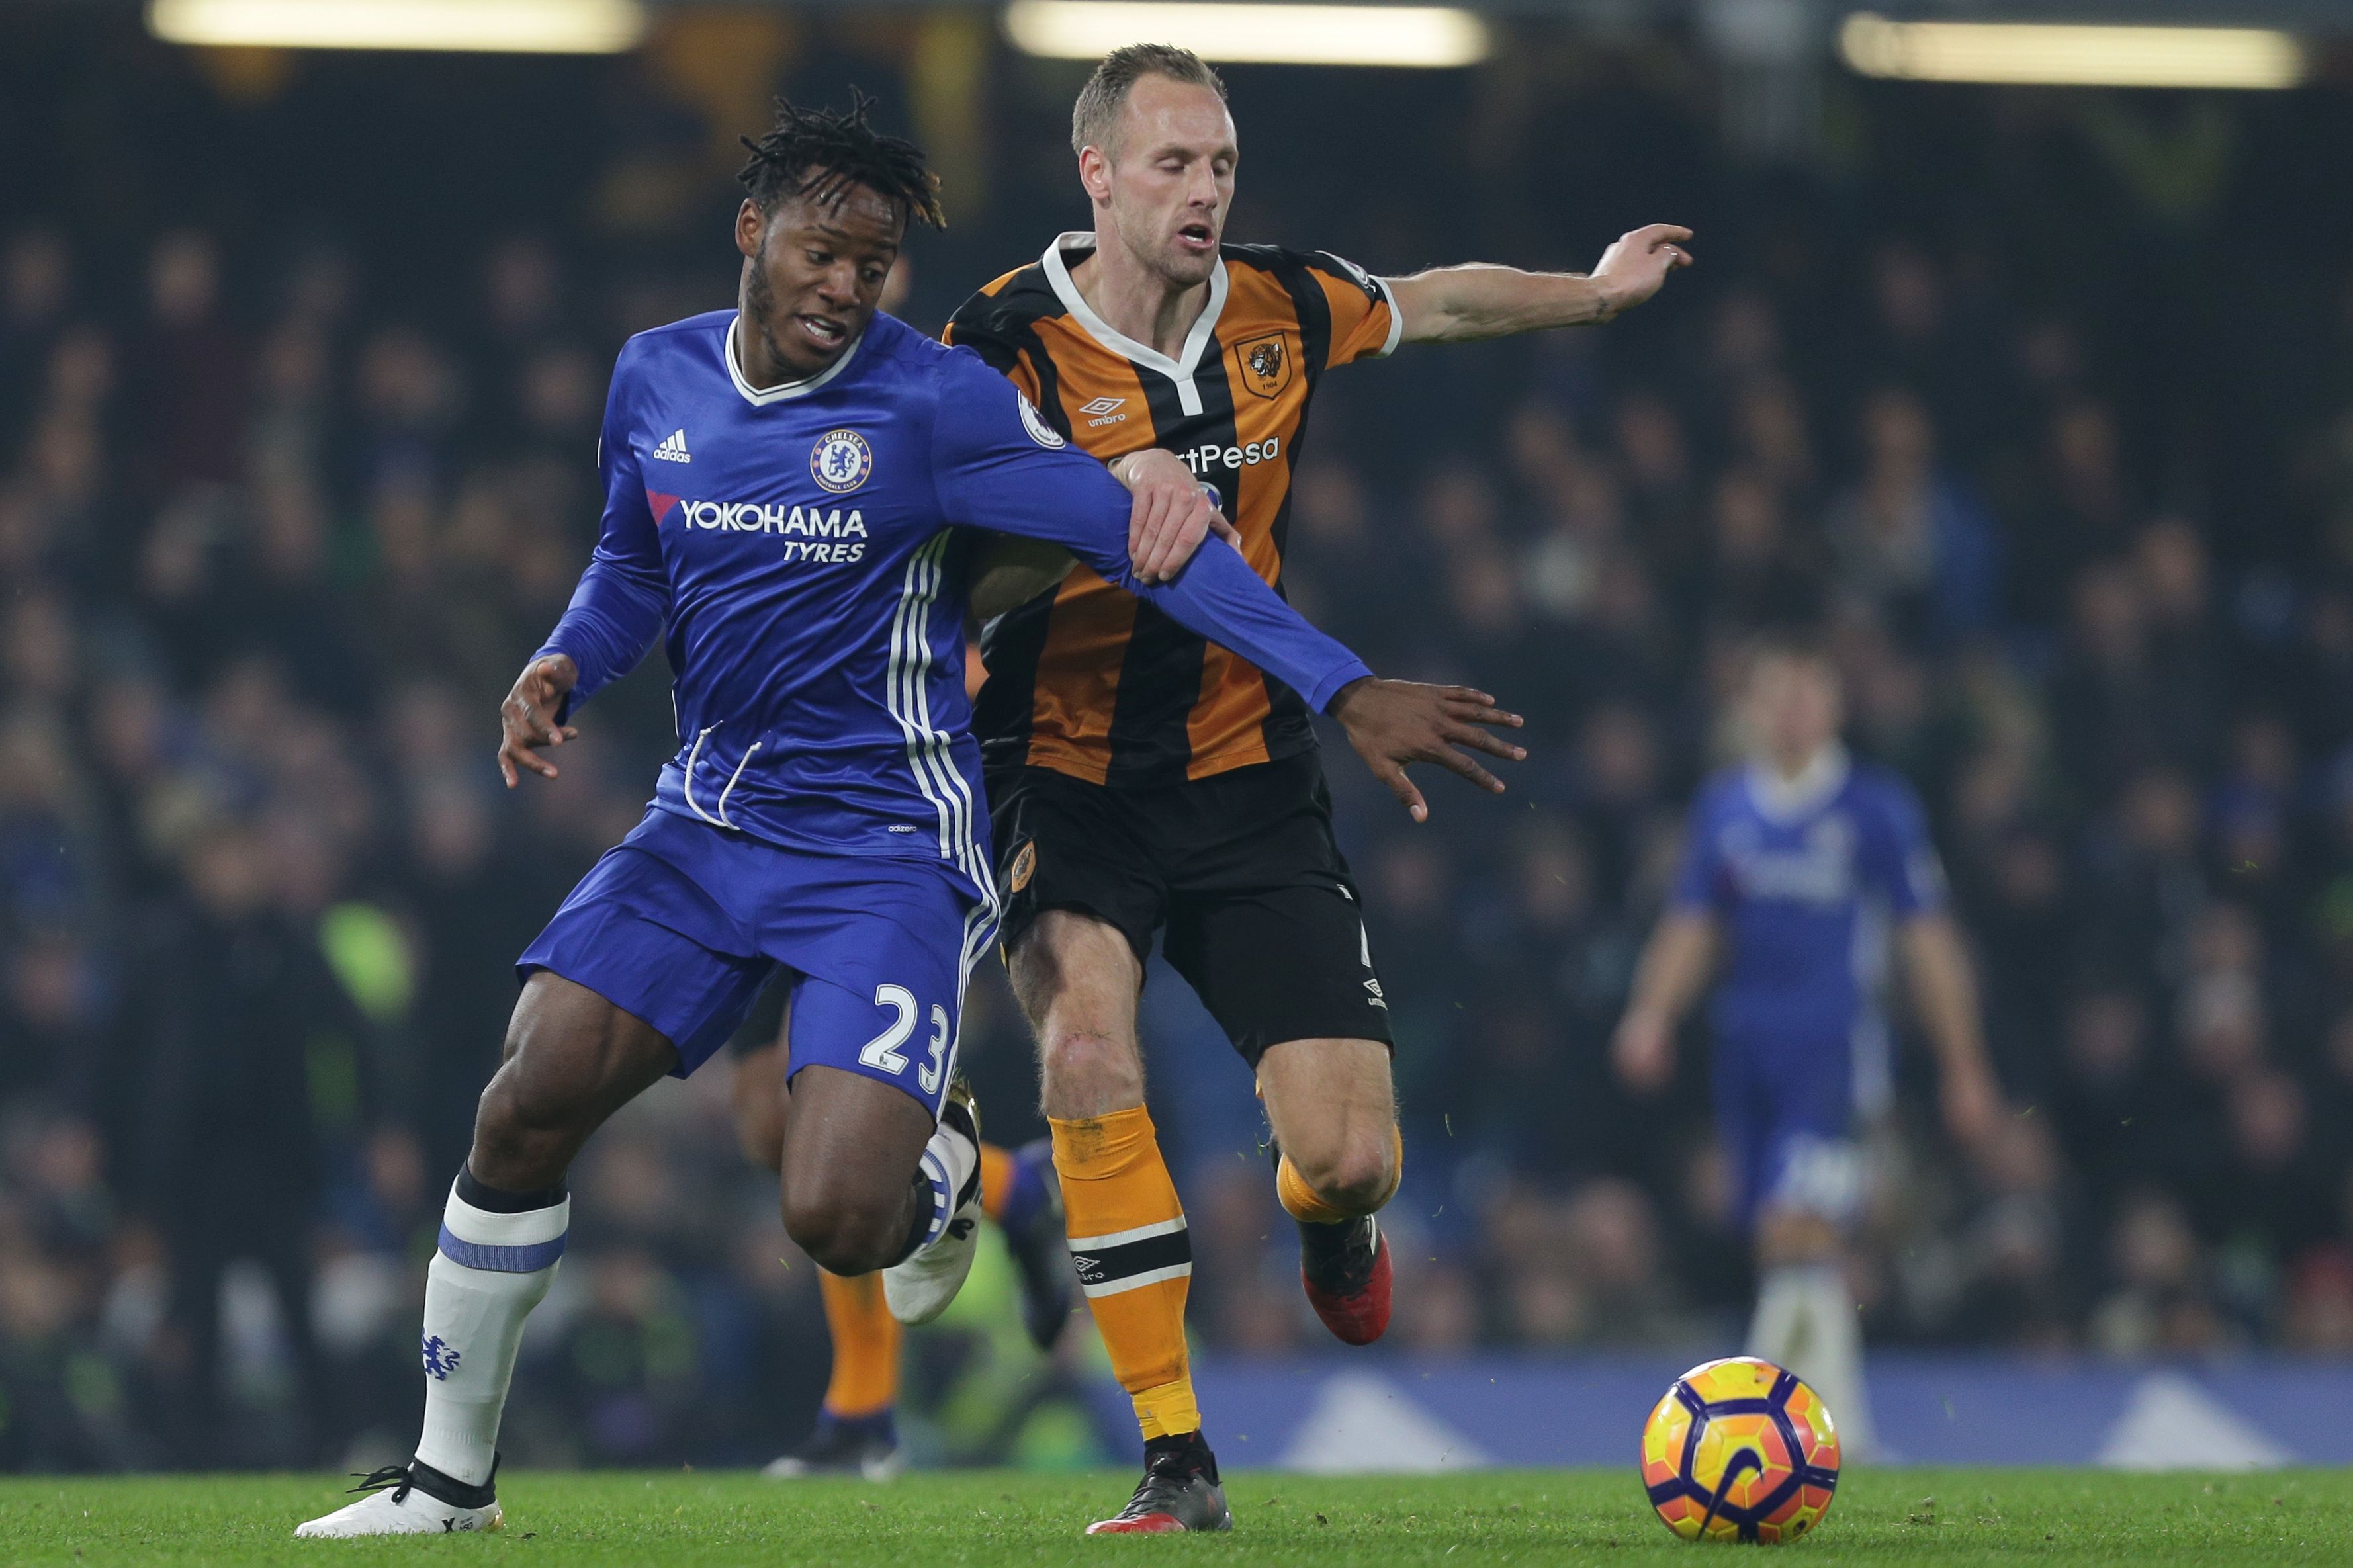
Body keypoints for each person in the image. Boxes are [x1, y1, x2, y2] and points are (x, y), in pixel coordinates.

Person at [296, 91, 1511, 1538]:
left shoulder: (933, 405)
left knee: (836, 1217)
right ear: (751, 235)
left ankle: (940, 1176)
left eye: (871, 267)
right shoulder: (654, 377)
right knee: (526, 1096)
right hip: (705, 826)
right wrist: (564, 661)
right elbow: (632, 562)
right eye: (820, 253)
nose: (844, 288)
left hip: (883, 845)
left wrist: (1335, 682)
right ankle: (446, 1486)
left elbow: (1149, 542)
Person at [940, 44, 1690, 1532]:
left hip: (1244, 774)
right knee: (1085, 1057)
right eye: (1171, 164)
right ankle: (1174, 1456)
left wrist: (1590, 292)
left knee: (1348, 1159)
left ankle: (1324, 1225)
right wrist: (1104, 523)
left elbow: (1436, 296)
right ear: (1096, 175)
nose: (1204, 191)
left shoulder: (1277, 305)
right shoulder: (1002, 339)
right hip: (1060, 771)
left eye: (1218, 164)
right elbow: (957, 551)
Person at [1612, 638, 2003, 1459]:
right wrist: (1650, 1013)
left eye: (1807, 694)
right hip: (1744, 1051)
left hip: (1833, 1051)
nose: (1791, 710)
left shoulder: (1873, 808)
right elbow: (1692, 924)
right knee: (1774, 1237)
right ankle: (1821, 1428)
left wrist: (1964, 1064)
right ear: (1750, 709)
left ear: (1834, 707)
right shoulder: (1726, 807)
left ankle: (1784, 1434)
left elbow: (1925, 941)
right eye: (1776, 694)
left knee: (1803, 1226)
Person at [729, 994, 1071, 1481]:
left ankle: (860, 1414)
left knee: (842, 1127)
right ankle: (1018, 1191)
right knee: (772, 1129)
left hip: (860, 926)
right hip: (750, 920)